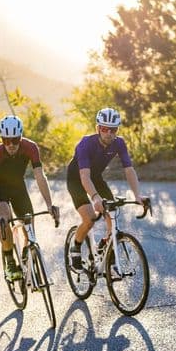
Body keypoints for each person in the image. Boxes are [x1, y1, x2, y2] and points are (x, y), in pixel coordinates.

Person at [66, 107, 147, 272]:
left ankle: (104, 245)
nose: (108, 133)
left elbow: (129, 170)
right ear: (98, 128)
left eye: (113, 130)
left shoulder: (119, 143)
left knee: (113, 215)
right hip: (77, 179)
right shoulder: (85, 143)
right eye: (104, 129)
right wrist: (95, 197)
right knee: (89, 219)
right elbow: (84, 177)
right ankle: (75, 248)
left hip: (95, 177)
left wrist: (137, 195)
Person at [0, 115, 59, 281]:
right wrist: (1, 216)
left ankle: (27, 257)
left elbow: (40, 177)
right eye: (6, 140)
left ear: (21, 137)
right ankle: (10, 261)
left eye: (15, 140)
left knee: (30, 227)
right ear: (2, 139)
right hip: (0, 189)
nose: (11, 145)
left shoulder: (30, 147)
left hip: (18, 187)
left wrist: (50, 204)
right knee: (6, 219)